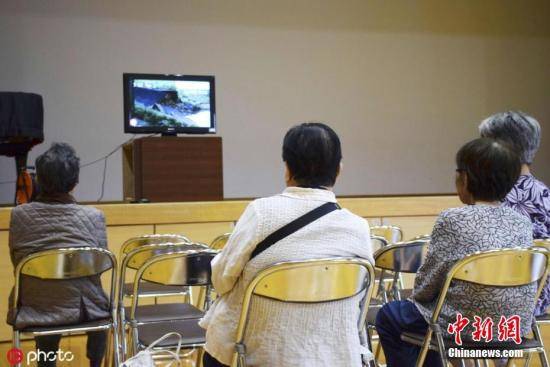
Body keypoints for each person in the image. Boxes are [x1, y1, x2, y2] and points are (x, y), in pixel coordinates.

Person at [200, 122, 374, 367]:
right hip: (332, 356)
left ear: (287, 168)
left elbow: (221, 280)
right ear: (338, 170)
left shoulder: (262, 213)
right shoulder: (358, 228)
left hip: (257, 354)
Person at [375, 138, 535, 367]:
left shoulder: (453, 220)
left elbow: (427, 286)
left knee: (391, 314)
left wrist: (419, 297)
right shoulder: (522, 223)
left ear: (465, 178)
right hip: (510, 328)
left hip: (461, 326)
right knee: (425, 320)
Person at [8, 143, 109, 367]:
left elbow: (17, 260)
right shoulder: (95, 217)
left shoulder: (18, 215)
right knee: (97, 298)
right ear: (75, 183)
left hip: (35, 308)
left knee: (47, 294)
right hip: (87, 309)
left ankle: (46, 363)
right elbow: (101, 265)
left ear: (38, 180)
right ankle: (95, 363)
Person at [479, 111, 550, 316]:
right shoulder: (545, 193)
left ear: (501, 149)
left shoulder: (493, 198)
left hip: (495, 304)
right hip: (538, 301)